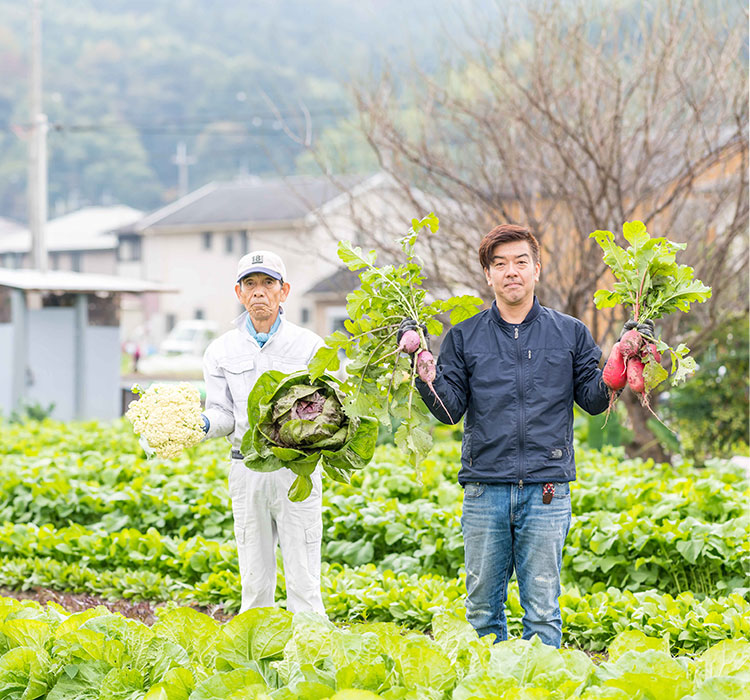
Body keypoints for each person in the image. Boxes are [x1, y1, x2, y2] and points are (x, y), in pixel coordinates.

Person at [409, 223, 618, 648]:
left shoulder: (570, 333)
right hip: (485, 489)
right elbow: (450, 411)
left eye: (521, 262)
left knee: (543, 611)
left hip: (546, 489)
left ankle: (538, 690)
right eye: (500, 264)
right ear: (488, 275)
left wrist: (620, 359)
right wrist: (424, 375)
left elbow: (594, 400)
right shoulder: (464, 336)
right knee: (482, 610)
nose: (512, 272)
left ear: (537, 269)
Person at [200, 250, 326, 615]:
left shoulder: (310, 346)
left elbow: (331, 406)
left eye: (268, 283)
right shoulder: (221, 350)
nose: (259, 292)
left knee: (304, 578)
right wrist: (204, 425)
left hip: (296, 472)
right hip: (246, 468)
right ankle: (256, 660)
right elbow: (222, 412)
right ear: (239, 292)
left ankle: (312, 659)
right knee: (254, 580)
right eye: (250, 284)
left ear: (284, 291)